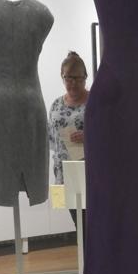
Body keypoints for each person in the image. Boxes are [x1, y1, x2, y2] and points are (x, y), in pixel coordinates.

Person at [48, 51, 89, 184]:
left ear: (85, 77)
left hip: (89, 173)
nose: (73, 83)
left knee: (87, 199)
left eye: (78, 78)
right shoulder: (56, 106)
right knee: (61, 199)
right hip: (61, 174)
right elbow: (52, 142)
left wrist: (90, 137)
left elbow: (112, 135)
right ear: (62, 77)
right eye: (69, 78)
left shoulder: (95, 103)